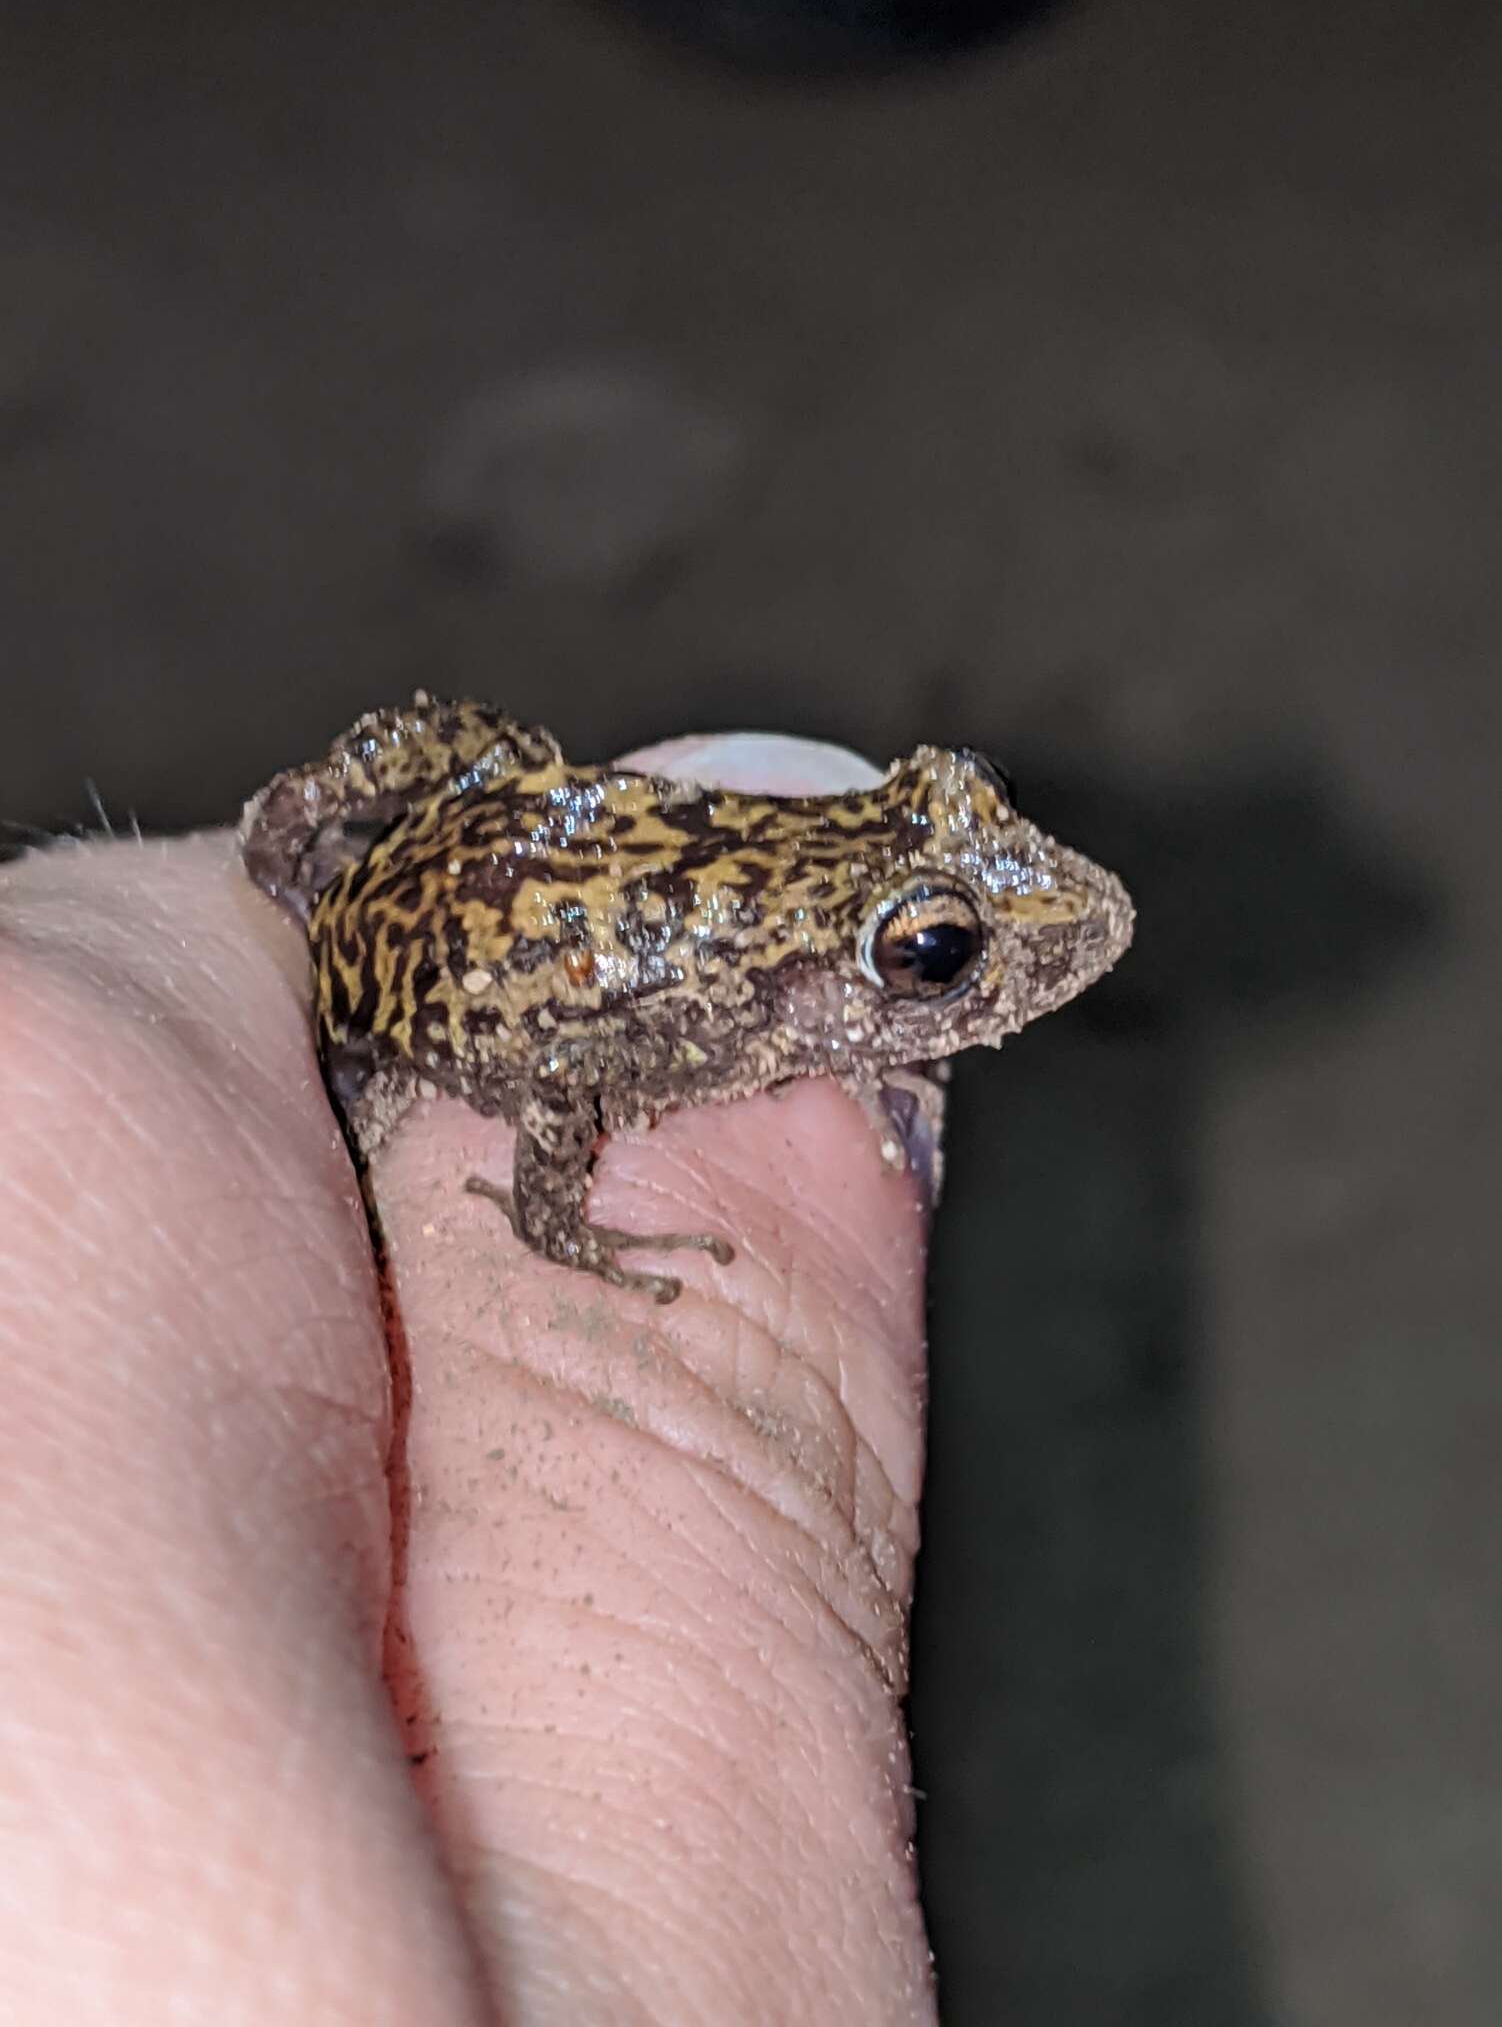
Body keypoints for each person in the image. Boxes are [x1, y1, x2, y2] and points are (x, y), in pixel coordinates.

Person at [0, 735, 939, 2024]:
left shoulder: (756, 956)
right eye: (937, 958)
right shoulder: (714, 1005)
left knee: (508, 761)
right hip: (431, 993)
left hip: (489, 852)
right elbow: (567, 1069)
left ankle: (327, 808)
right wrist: (561, 1226)